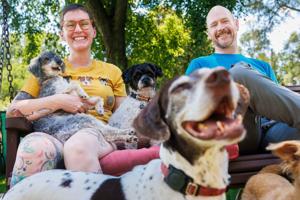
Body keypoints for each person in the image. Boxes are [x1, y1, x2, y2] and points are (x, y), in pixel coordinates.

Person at [6, 3, 128, 186]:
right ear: (61, 34)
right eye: (70, 25)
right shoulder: (45, 67)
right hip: (53, 132)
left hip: (96, 133)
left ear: (94, 31)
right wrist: (59, 101)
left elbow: (124, 116)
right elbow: (14, 110)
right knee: (33, 149)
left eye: (84, 24)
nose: (78, 29)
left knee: (77, 146)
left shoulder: (112, 71)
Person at [186, 5, 300, 154]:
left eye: (225, 21)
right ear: (208, 34)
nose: (220, 27)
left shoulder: (262, 66)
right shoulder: (199, 65)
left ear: (236, 24)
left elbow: (280, 105)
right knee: (237, 74)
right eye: (214, 25)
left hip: (273, 132)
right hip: (236, 133)